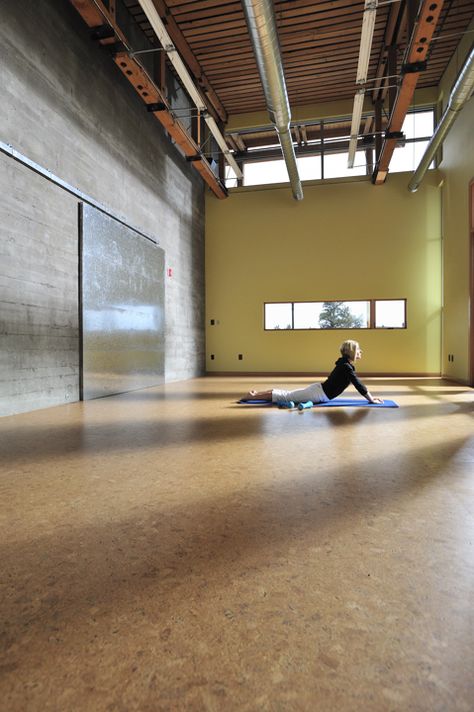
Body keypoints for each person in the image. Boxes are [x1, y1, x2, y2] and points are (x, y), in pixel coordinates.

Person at [243, 340, 384, 405]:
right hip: (318, 394)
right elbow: (358, 385)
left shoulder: (344, 364)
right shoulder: (346, 367)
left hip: (318, 390)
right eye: (358, 349)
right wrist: (371, 399)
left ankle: (255, 394)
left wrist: (371, 398)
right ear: (352, 352)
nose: (361, 351)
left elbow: (354, 383)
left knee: (286, 394)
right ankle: (252, 396)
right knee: (285, 396)